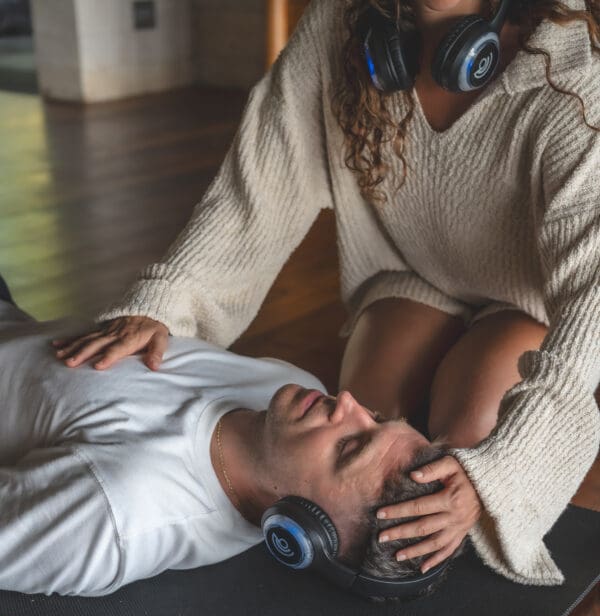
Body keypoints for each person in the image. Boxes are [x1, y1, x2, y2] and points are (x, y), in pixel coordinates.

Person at [51, 0, 600, 586]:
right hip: (411, 275)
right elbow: (256, 193)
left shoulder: (573, 75)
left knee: (450, 475)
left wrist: (500, 474)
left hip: (531, 300)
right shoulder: (339, 26)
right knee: (348, 452)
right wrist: (164, 301)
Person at [0, 295, 469, 599]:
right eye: (378, 417)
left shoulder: (119, 513)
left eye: (349, 446)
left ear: (302, 528)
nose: (346, 402)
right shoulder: (293, 390)